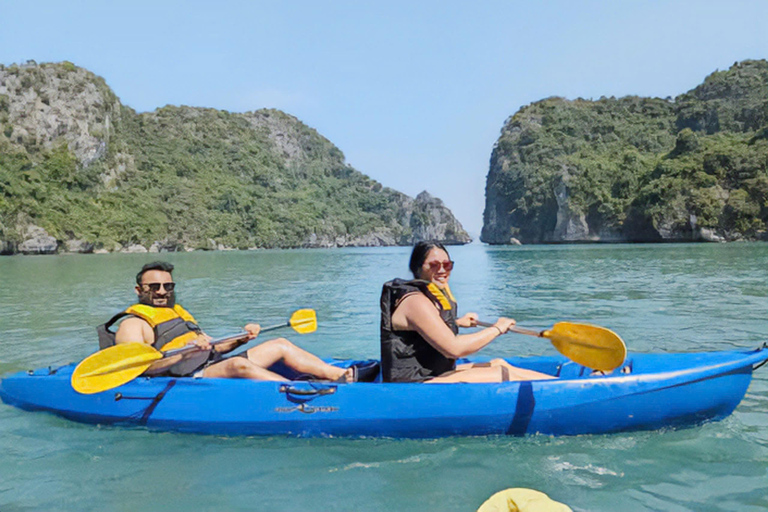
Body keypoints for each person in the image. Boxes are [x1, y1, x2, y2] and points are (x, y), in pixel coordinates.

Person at [98, 261, 355, 382]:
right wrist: (183, 355)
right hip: (187, 378)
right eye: (154, 286)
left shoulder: (178, 312)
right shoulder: (132, 325)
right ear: (138, 290)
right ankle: (305, 395)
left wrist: (241, 338)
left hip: (211, 363)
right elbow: (139, 368)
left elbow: (214, 348)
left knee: (279, 343)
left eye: (168, 285)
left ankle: (341, 376)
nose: (162, 291)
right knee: (237, 366)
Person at [380, 241, 555, 383]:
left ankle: (561, 383)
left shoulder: (424, 298)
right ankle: (568, 392)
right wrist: (497, 329)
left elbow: (423, 328)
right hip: (414, 385)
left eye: (447, 265)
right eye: (434, 265)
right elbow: (454, 349)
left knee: (499, 363)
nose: (442, 270)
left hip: (430, 373)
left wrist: (457, 322)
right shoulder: (415, 301)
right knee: (499, 373)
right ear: (418, 268)